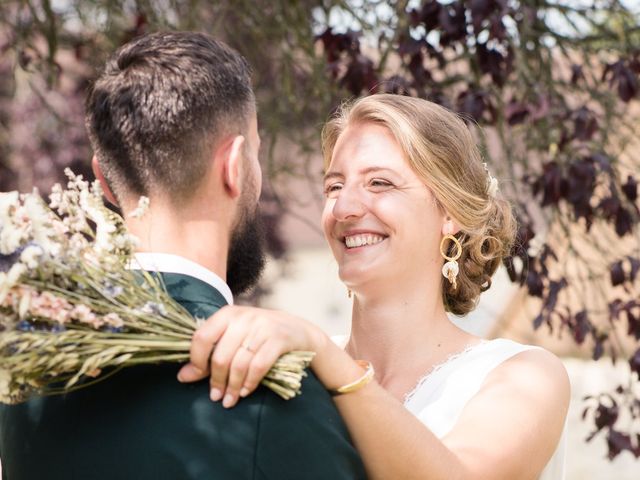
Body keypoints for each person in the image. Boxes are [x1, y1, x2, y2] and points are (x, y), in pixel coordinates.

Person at [0, 31, 365, 480]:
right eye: (255, 151)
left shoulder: (27, 379)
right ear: (233, 165)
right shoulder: (277, 393)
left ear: (104, 181)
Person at [179, 94, 571, 479]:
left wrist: (325, 358)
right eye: (334, 186)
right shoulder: (287, 368)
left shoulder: (524, 375)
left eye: (380, 183)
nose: (345, 208)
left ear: (449, 212)